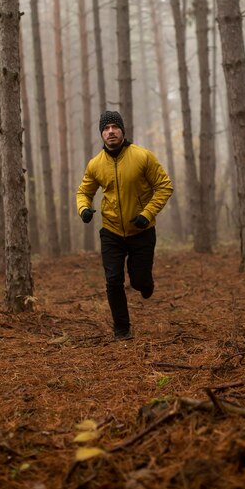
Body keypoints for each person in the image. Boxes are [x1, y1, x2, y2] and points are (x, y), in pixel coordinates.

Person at [76, 110, 173, 340]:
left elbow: (164, 186)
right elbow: (83, 192)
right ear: (102, 134)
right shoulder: (95, 164)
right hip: (111, 232)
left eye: (114, 127)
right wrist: (84, 209)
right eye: (106, 128)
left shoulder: (142, 156)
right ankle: (122, 329)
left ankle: (145, 282)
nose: (110, 132)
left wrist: (147, 213)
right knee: (113, 280)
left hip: (142, 231)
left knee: (139, 281)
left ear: (122, 131)